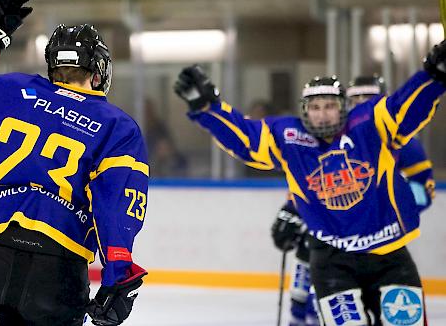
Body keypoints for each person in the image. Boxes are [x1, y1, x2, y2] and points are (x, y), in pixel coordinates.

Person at [173, 45, 446, 326]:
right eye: (315, 107)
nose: (322, 114)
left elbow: (405, 105)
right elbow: (245, 137)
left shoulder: (371, 124)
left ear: (344, 108)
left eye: (330, 106)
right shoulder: (290, 137)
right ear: (304, 111)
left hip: (390, 256)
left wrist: (433, 77)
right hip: (333, 262)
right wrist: (207, 109)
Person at [0, 0, 149, 326]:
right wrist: (119, 274)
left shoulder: (5, 90)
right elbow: (115, 205)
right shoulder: (117, 127)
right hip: (56, 276)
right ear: (97, 73)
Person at [270, 75, 436, 326]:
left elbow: (423, 188)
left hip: (380, 239)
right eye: (354, 98)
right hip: (337, 245)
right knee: (309, 257)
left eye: (367, 99)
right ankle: (304, 313)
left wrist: (379, 209)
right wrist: (293, 209)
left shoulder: (402, 139)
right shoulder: (329, 140)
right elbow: (314, 187)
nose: (360, 103)